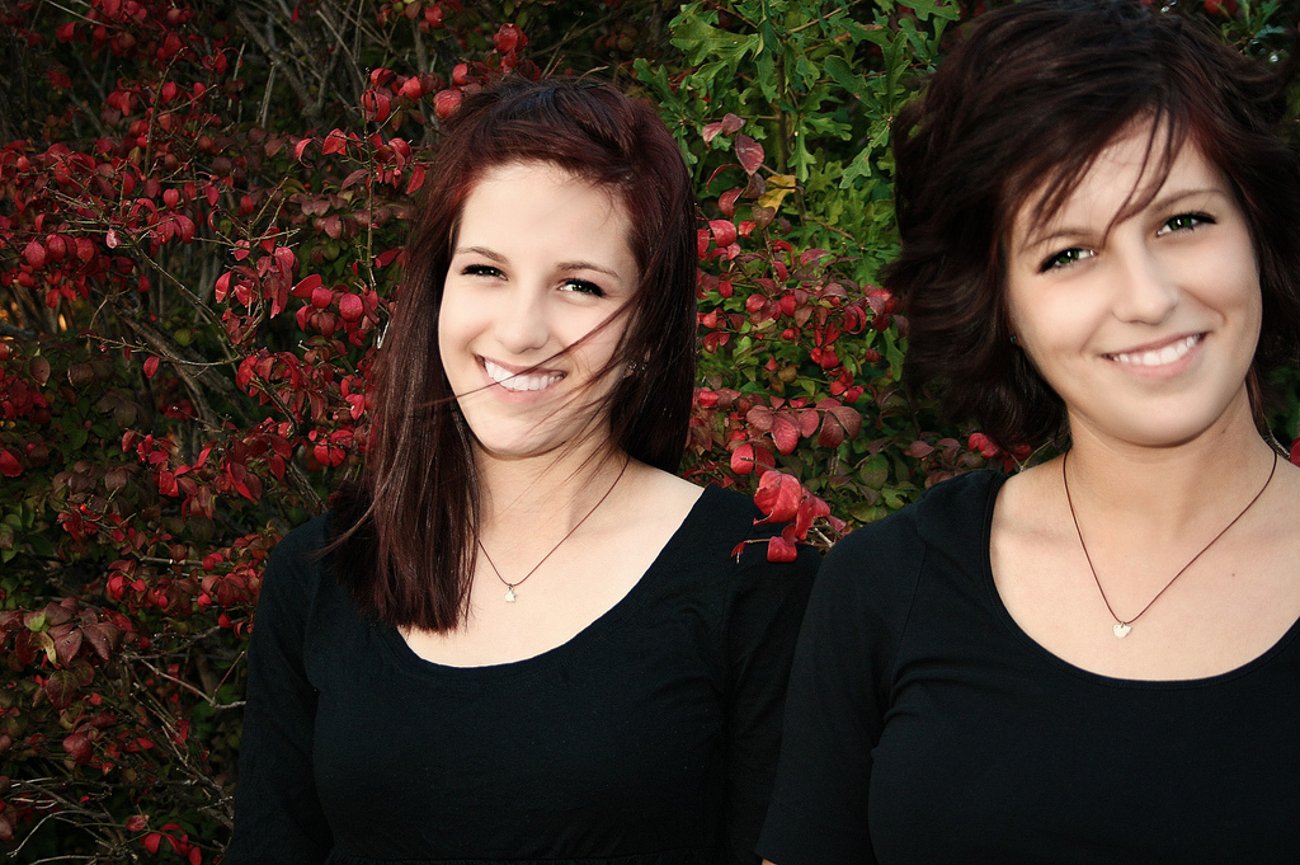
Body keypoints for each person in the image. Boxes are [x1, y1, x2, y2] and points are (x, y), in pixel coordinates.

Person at [758, 1, 1300, 862]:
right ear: (1000, 305)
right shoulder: (885, 586)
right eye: (1068, 252)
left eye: (1183, 221)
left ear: (1258, 230)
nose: (1149, 296)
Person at [227, 77, 817, 865]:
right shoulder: (323, 573)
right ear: (435, 289)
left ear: (646, 329)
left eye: (581, 285)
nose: (522, 328)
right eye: (485, 270)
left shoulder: (756, 576)